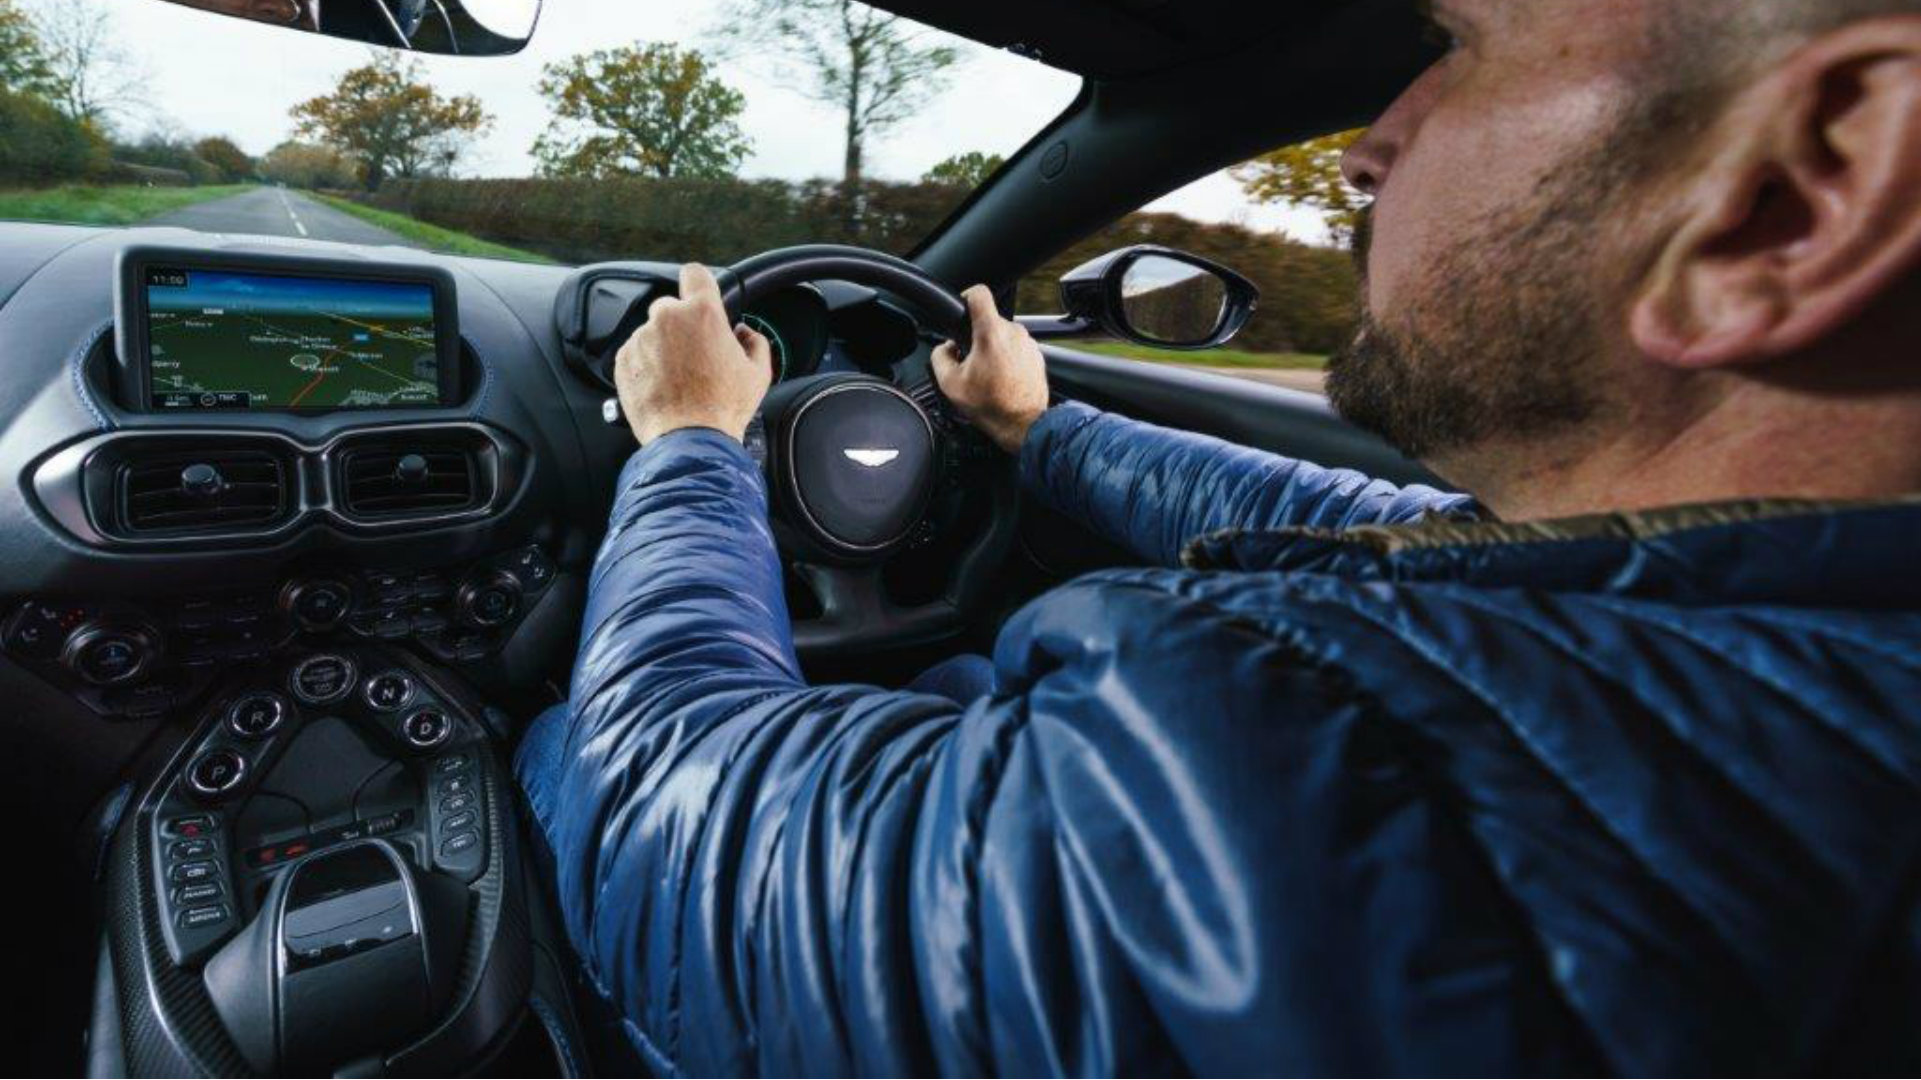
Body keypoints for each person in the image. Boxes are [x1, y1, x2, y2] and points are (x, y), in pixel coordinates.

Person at [516, 0, 1921, 1073]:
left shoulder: (1345, 790)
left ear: (1798, 197)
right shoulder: (1767, 626)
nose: (1372, 149)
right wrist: (1034, 431)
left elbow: (652, 792)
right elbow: (1377, 531)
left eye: (1461, 48)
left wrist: (693, 441)